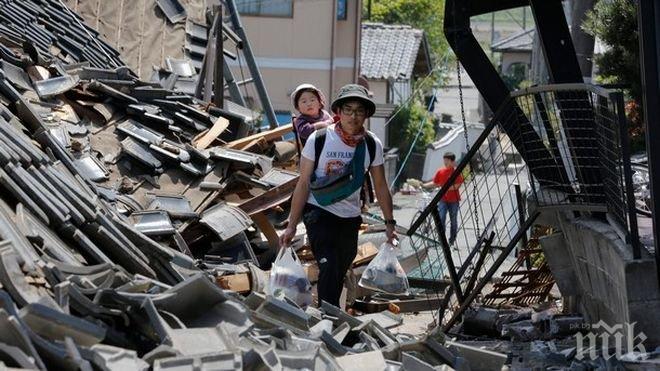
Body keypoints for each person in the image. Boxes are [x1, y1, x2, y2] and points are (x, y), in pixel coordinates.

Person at [279, 84, 397, 308]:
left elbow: (381, 186)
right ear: (338, 112)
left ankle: (329, 314)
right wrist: (292, 225)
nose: (353, 116)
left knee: (341, 266)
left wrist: (389, 223)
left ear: (366, 115)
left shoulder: (371, 144)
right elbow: (303, 183)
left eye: (359, 111)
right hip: (318, 211)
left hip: (350, 217)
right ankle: (329, 320)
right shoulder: (319, 139)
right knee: (329, 264)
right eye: (348, 110)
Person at [425, 152, 463, 246]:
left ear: (452, 161)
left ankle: (452, 240)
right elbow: (435, 183)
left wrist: (445, 187)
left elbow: (457, 185)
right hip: (443, 200)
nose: (445, 162)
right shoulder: (440, 171)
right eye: (444, 160)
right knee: (441, 219)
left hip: (454, 200)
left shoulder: (456, 172)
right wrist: (423, 185)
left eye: (447, 160)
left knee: (453, 221)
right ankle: (441, 240)